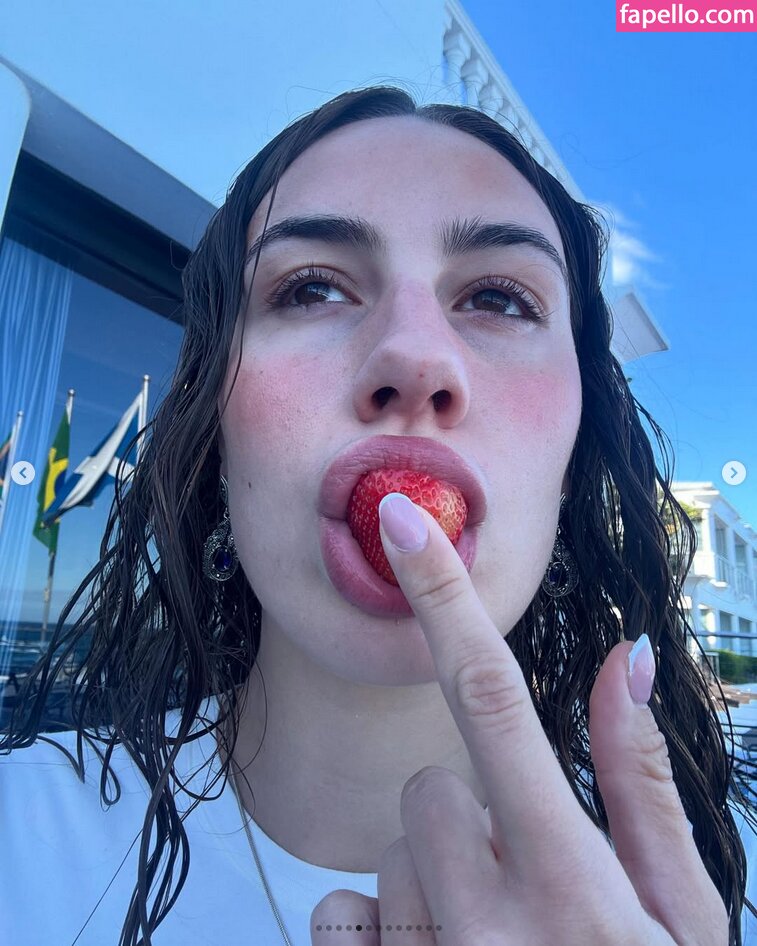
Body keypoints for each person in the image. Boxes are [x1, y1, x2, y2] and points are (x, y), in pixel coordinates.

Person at [1, 85, 754, 946]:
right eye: (311, 288)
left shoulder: (718, 867)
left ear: (574, 459)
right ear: (215, 427)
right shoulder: (19, 838)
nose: (414, 357)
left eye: (499, 299)